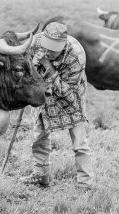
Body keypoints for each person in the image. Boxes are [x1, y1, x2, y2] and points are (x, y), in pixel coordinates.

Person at [20, 22, 94, 188]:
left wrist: (47, 64)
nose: (49, 52)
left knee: (80, 142)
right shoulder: (35, 43)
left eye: (55, 48)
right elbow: (26, 72)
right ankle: (41, 176)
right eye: (48, 47)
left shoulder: (76, 55)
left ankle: (85, 184)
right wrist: (33, 64)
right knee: (39, 137)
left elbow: (67, 93)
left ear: (64, 44)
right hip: (43, 95)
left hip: (71, 99)